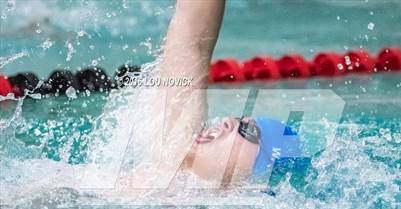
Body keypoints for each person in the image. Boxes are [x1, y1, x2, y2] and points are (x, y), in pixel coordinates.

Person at [128, 0, 304, 192]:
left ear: (257, 179)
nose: (229, 120)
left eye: (248, 131)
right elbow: (192, 42)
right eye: (241, 121)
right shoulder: (172, 149)